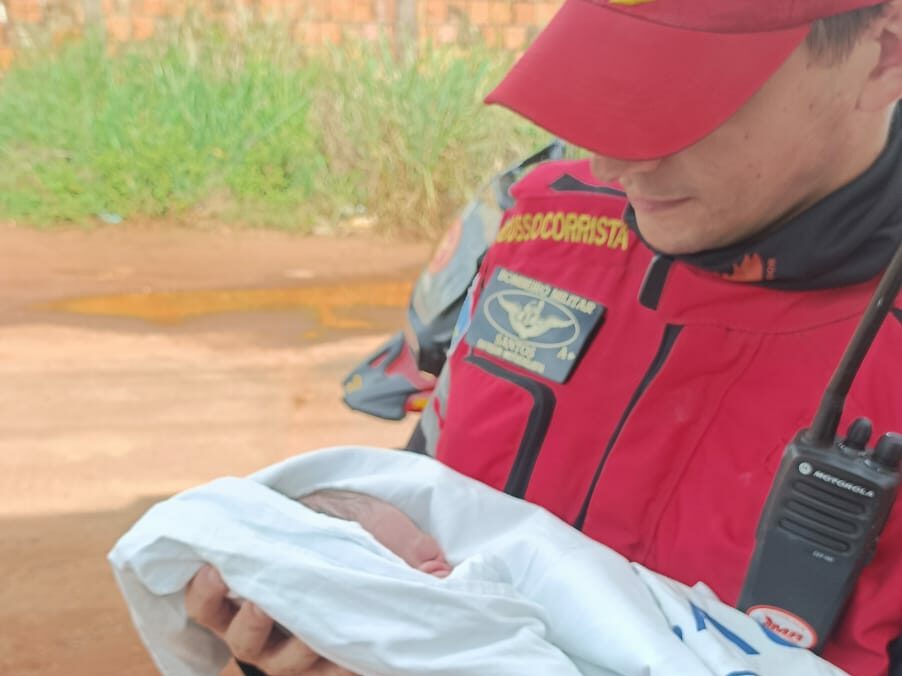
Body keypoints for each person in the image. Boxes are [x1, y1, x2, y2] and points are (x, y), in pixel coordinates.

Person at [186, 1, 902, 674]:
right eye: (608, 84)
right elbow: (419, 511)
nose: (613, 164)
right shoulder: (535, 229)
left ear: (882, 56)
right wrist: (335, 628)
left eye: (686, 102)